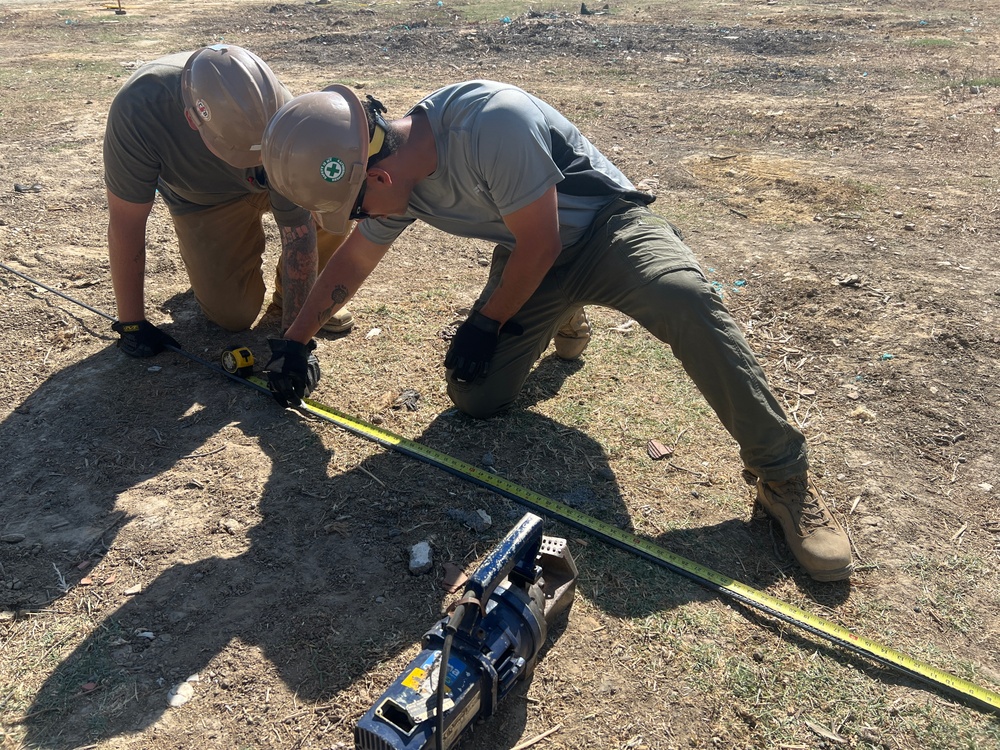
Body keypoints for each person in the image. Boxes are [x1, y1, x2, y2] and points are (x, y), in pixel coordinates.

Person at [258, 80, 853, 582]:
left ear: (377, 180)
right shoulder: (397, 175)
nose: (361, 220)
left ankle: (783, 475)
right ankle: (563, 311)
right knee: (476, 398)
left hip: (604, 232)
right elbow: (356, 259)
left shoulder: (493, 123)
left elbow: (544, 242)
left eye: (355, 208)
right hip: (531, 252)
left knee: (686, 297)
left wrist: (487, 322)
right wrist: (296, 340)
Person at [103, 44, 354, 358]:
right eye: (239, 153)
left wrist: (295, 342)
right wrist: (132, 323)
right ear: (193, 120)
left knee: (334, 198)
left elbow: (299, 235)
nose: (250, 165)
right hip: (204, 202)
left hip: (280, 176)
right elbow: (126, 223)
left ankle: (296, 298)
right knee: (233, 316)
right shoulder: (138, 110)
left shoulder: (277, 108)